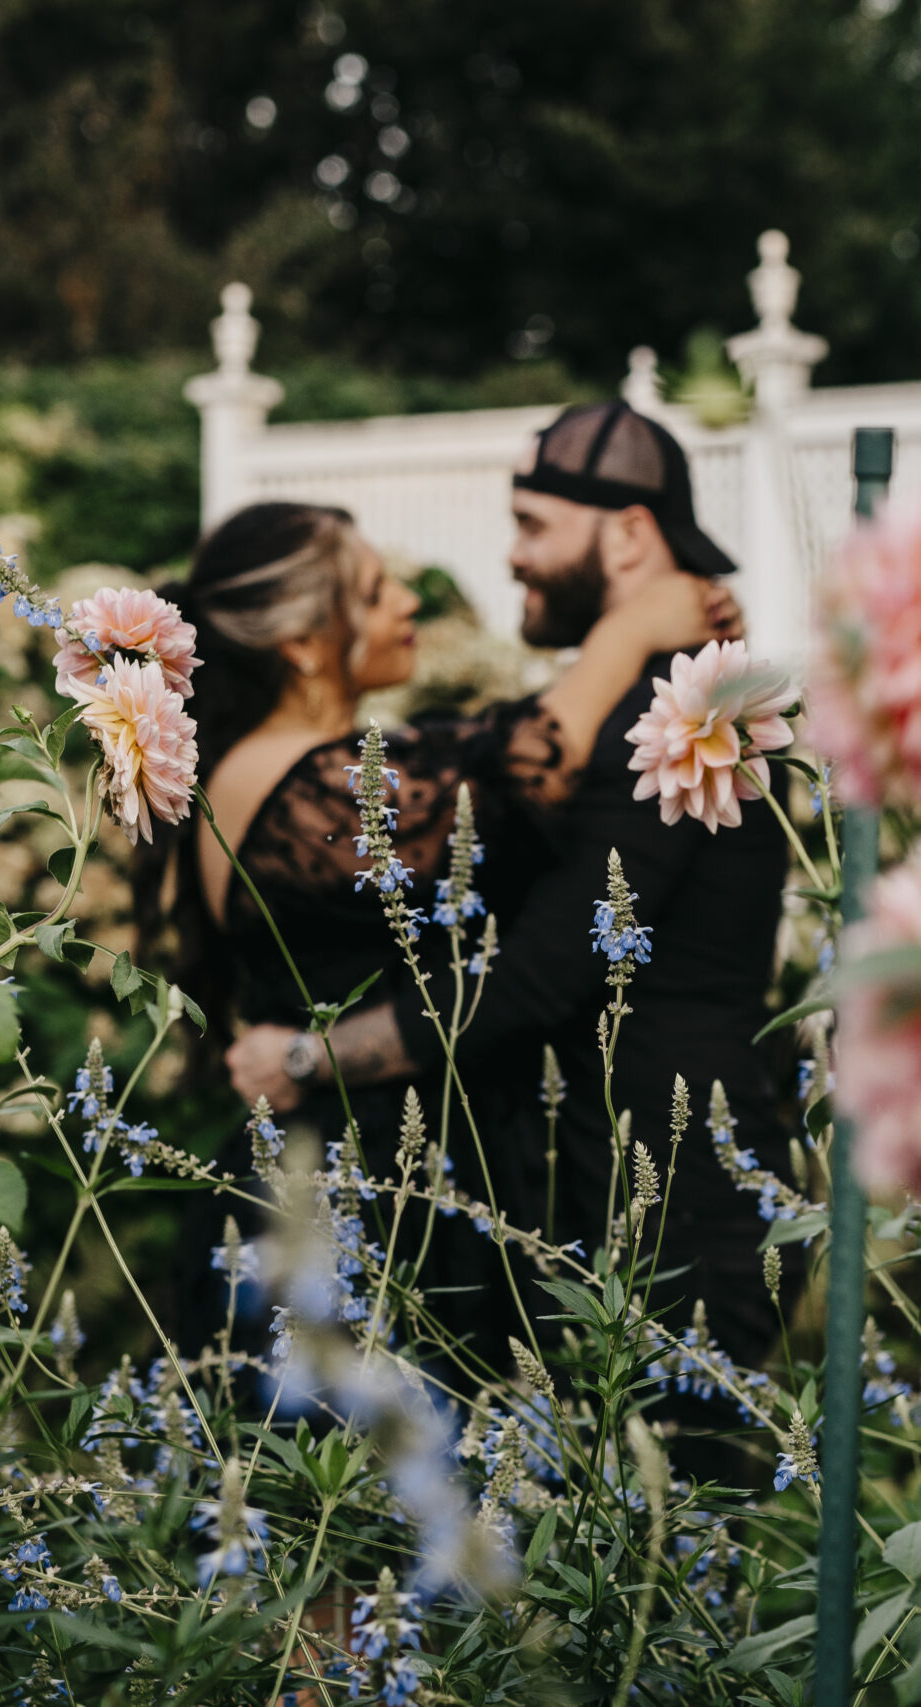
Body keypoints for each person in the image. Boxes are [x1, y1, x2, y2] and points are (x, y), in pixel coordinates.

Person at [227, 402, 796, 1387]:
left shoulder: (699, 717)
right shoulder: (628, 700)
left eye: (532, 525)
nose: (513, 558)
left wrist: (308, 1058)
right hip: (590, 1193)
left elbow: (541, 976)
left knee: (678, 1523)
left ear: (626, 533)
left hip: (670, 1210)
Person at [147, 499, 734, 1353]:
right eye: (376, 589)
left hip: (403, 1181)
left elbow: (473, 754)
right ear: (307, 643)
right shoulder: (280, 776)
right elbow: (520, 763)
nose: (407, 601)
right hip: (341, 1197)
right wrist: (630, 632)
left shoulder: (322, 760)